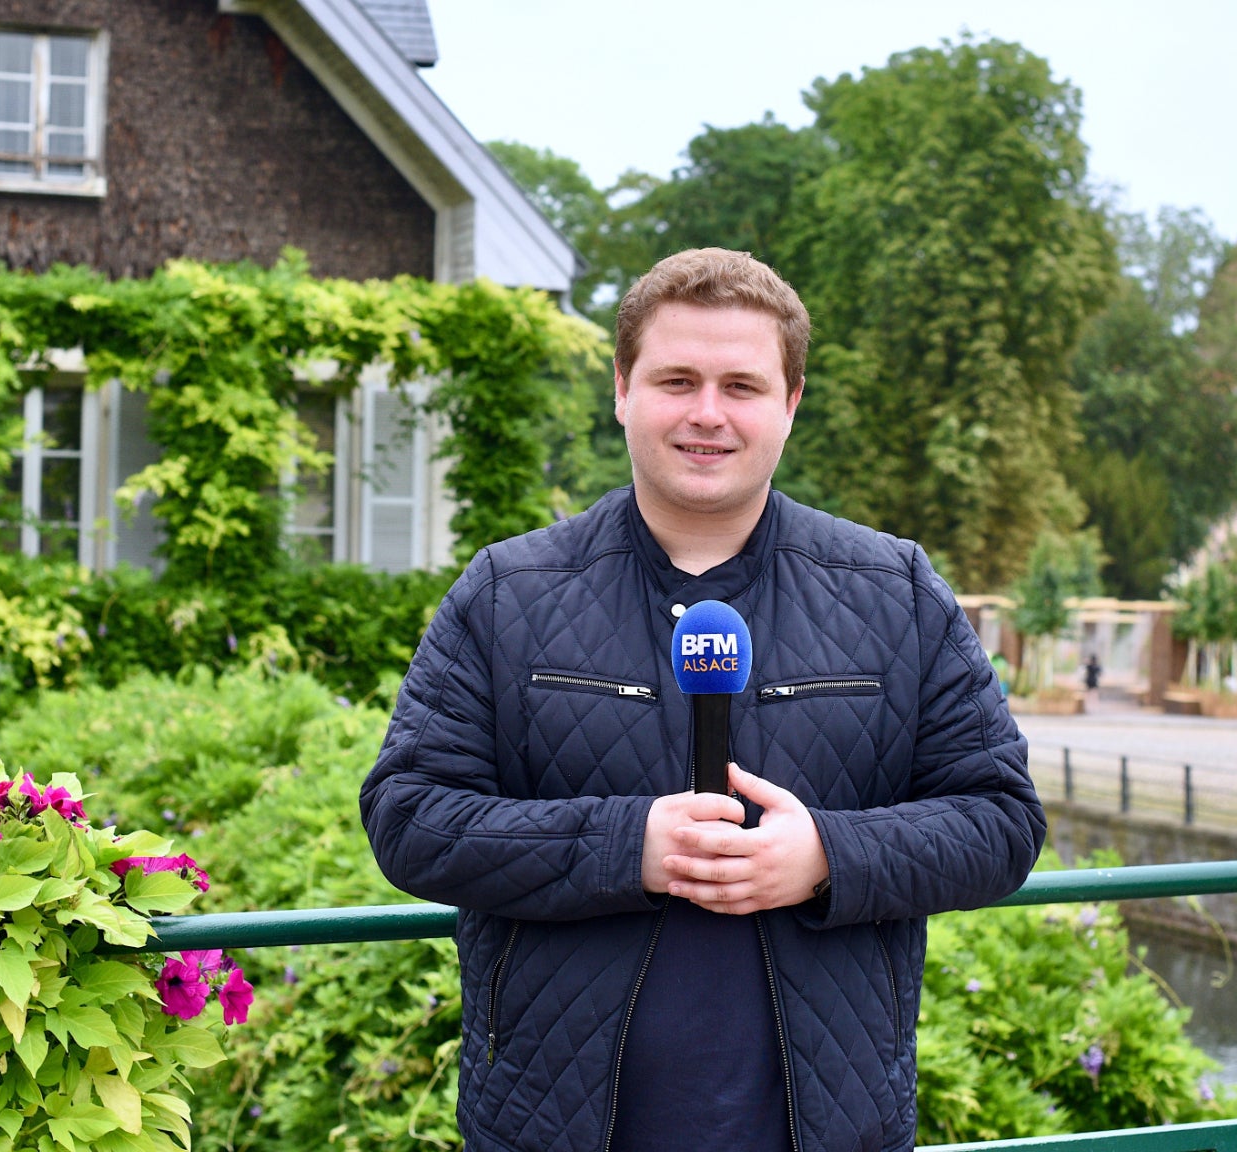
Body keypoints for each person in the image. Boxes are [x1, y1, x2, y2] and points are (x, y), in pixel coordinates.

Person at [361, 249, 1045, 1152]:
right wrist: (622, 846)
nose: (708, 414)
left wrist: (828, 857)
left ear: (791, 403)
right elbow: (408, 817)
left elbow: (1000, 822)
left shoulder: (896, 590)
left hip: (830, 1129)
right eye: (677, 380)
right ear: (622, 390)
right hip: (552, 1130)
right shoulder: (507, 591)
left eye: (742, 385)